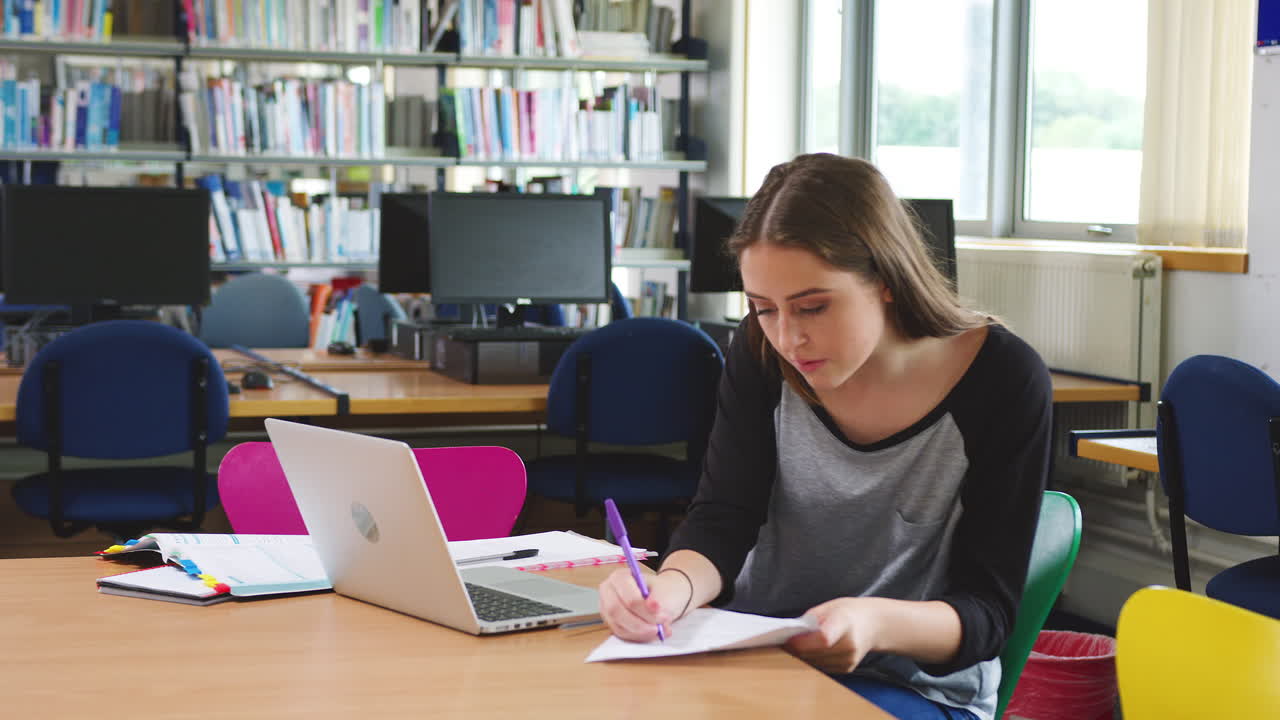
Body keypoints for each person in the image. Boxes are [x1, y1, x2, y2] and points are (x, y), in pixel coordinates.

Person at [597, 153, 1051, 720]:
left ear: (885, 280)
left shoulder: (1003, 377)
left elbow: (988, 613)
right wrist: (670, 591)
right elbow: (723, 519)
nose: (788, 337)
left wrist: (873, 624)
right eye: (763, 309)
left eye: (813, 307)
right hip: (758, 656)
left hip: (915, 689)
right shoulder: (760, 350)